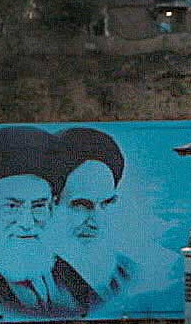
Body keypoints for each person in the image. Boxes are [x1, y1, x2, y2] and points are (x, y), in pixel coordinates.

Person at [0, 126, 80, 318]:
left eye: (38, 206)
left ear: (52, 207)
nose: (27, 223)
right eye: (12, 206)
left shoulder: (67, 276)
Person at [49, 127, 140, 313]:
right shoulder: (27, 281)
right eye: (81, 205)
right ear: (49, 203)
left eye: (106, 203)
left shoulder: (125, 273)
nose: (96, 221)